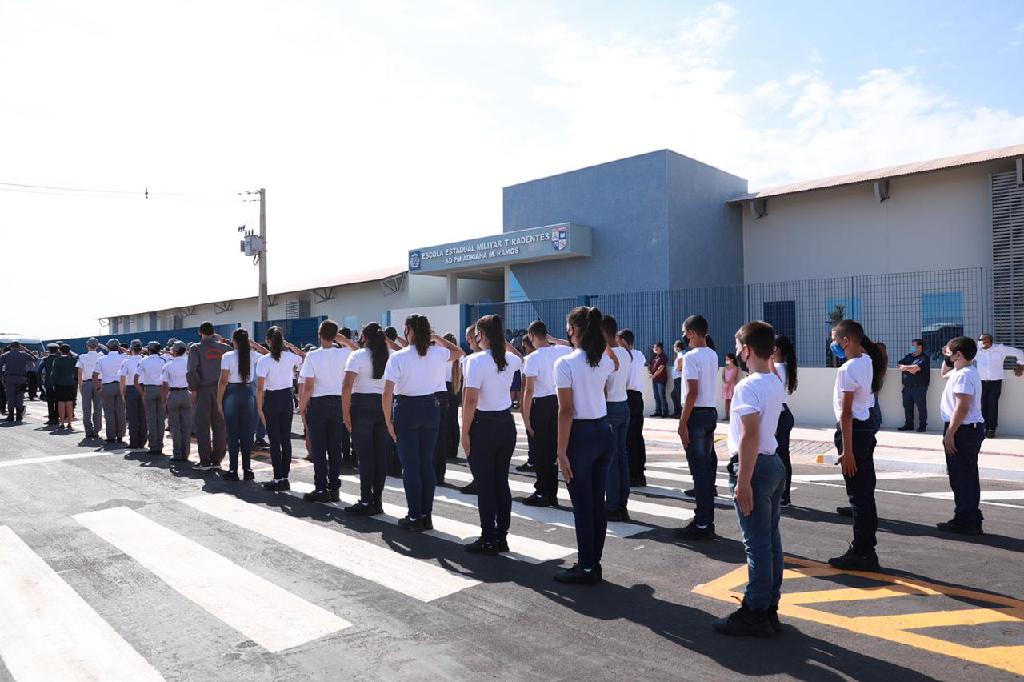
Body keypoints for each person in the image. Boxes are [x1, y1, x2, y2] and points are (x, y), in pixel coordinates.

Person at [714, 320, 788, 637]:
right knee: (770, 540)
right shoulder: (775, 380)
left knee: (756, 543)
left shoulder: (747, 387)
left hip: (754, 467)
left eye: (737, 348)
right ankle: (769, 607)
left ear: (746, 350)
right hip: (773, 463)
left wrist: (743, 482)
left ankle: (756, 611)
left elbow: (749, 436)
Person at [382, 314, 464, 531]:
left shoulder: (398, 357)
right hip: (430, 407)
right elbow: (458, 352)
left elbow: (387, 393)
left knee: (410, 466)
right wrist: (438, 338)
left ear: (408, 330)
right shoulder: (437, 352)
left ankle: (414, 515)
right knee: (426, 463)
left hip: (407, 409)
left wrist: (388, 420)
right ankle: (426, 514)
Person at [553, 306, 616, 585]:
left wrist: (560, 451)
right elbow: (614, 361)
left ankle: (586, 566)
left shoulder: (565, 363)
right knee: (597, 502)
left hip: (580, 435)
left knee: (582, 505)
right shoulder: (604, 361)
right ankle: (594, 563)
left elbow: (566, 410)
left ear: (572, 329)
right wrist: (600, 339)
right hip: (603, 430)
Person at [828, 319, 887, 571]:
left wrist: (847, 451)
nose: (832, 344)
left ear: (846, 341)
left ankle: (862, 552)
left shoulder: (847, 369)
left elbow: (846, 413)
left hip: (854, 434)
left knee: (858, 497)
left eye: (834, 339)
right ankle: (865, 549)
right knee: (865, 494)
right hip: (864, 431)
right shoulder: (867, 360)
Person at [461, 314, 522, 554]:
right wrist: (501, 341)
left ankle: (488, 537)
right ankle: (501, 536)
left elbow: (470, 400)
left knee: (485, 486)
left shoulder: (475, 361)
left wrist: (465, 431)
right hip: (506, 424)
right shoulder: (508, 359)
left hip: (483, 426)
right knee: (501, 482)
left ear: (481, 335)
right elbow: (519, 357)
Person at [298, 320, 353, 502]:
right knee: (335, 448)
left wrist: (302, 407)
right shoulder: (344, 353)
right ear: (335, 335)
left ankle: (321, 488)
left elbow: (308, 386)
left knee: (319, 448)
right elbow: (356, 349)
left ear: (319, 335)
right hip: (337, 402)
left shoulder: (312, 356)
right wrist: (343, 339)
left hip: (318, 403)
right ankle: (334, 488)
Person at [519, 320, 572, 507]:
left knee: (541, 452)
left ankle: (542, 492)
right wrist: (553, 339)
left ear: (532, 336)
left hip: (540, 405)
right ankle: (552, 493)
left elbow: (529, 390)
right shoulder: (559, 350)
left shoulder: (532, 358)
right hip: (557, 402)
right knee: (553, 452)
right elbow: (571, 345)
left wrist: (526, 416)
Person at [676, 314, 720, 540]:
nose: (684, 336)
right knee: (706, 471)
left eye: (685, 333)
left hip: (697, 415)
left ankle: (702, 523)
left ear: (691, 333)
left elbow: (692, 392)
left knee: (700, 472)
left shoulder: (691, 357)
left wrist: (682, 422)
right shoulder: (712, 354)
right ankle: (706, 520)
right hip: (710, 412)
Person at [342, 323, 392, 514]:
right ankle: (377, 501)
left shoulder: (357, 355)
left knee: (365, 457)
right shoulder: (390, 355)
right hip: (382, 404)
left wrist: (345, 413)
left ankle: (365, 501)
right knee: (380, 456)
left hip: (361, 404)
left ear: (364, 337)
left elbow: (347, 386)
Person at [938, 337, 986, 535]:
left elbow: (962, 407)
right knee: (966, 475)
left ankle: (966, 520)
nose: (946, 353)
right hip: (967, 429)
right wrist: (947, 356)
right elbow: (944, 374)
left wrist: (950, 433)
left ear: (958, 355)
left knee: (961, 477)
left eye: (950, 351)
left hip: (962, 430)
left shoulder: (963, 376)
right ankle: (970, 517)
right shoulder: (963, 371)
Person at [255, 326, 305, 491]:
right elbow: (303, 356)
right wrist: (290, 346)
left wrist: (259, 408)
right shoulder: (289, 356)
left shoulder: (264, 360)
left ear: (268, 341)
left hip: (272, 399)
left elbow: (260, 388)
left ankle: (278, 478)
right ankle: (285, 477)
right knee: (285, 440)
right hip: (287, 398)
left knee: (275, 441)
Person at [187, 322, 232, 468]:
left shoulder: (195, 348)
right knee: (220, 425)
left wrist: (193, 390)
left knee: (203, 426)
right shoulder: (225, 348)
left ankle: (205, 460)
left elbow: (192, 371)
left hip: (203, 390)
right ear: (214, 332)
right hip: (222, 390)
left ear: (200, 332)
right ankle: (217, 460)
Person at [602, 315, 632, 522]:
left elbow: (602, 387)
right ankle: (622, 503)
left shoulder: (606, 357)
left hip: (610, 406)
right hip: (623, 404)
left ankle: (612, 505)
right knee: (622, 456)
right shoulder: (626, 353)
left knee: (611, 460)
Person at [973, 333, 1024, 438]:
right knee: (982, 405)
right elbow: (966, 359)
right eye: (979, 340)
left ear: (988, 341)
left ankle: (991, 429)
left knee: (992, 405)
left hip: (995, 383)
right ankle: (983, 427)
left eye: (982, 340)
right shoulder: (976, 351)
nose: (980, 342)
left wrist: (1020, 366)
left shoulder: (1000, 349)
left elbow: (1019, 353)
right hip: (981, 382)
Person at [618, 329, 648, 487]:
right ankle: (640, 473)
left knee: (628, 438)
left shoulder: (624, 356)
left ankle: (632, 474)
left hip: (627, 396)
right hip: (638, 397)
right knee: (637, 436)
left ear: (623, 341)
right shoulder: (640, 355)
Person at [772, 335, 798, 506]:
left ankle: (782, 494)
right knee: (783, 457)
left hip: (778, 414)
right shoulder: (785, 367)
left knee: (779, 457)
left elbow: (774, 392)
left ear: (776, 349)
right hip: (783, 413)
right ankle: (783, 494)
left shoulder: (777, 368)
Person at [161, 341, 193, 462]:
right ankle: (186, 453)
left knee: (175, 426)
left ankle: (178, 454)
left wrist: (164, 400)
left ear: (174, 351)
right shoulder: (189, 363)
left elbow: (165, 386)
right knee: (186, 425)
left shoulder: (168, 365)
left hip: (173, 394)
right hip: (186, 393)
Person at [91, 339, 127, 444]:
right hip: (121, 386)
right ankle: (120, 436)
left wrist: (98, 388)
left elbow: (94, 375)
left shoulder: (102, 359)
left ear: (108, 347)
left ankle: (111, 436)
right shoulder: (124, 357)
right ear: (118, 347)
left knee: (109, 412)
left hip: (107, 386)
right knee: (121, 412)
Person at [135, 342, 168, 456]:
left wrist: (142, 393)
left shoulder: (143, 361)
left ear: (149, 350)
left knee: (151, 420)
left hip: (149, 389)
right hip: (162, 389)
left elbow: (135, 379)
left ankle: (153, 446)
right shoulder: (164, 360)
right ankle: (160, 445)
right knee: (161, 420)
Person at [896, 338, 930, 432]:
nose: (911, 347)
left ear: (919, 347)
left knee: (921, 407)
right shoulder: (909, 356)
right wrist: (909, 368)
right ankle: (908, 425)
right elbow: (899, 364)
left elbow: (917, 368)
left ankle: (922, 426)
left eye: (913, 345)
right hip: (907, 387)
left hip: (919, 387)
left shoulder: (924, 358)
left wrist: (905, 368)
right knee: (907, 406)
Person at [119, 340, 148, 449]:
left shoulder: (126, 361)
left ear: (131, 349)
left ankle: (134, 442)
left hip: (131, 388)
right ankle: (143, 441)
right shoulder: (145, 360)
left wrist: (122, 392)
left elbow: (122, 378)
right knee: (143, 416)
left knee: (132, 416)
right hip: (144, 387)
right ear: (141, 349)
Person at [1, 342, 37, 423]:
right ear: (19, 347)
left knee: (10, 396)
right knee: (20, 396)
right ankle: (18, 415)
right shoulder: (24, 354)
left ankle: (11, 415)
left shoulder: (6, 355)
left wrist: (1, 377)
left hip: (10, 378)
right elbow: (35, 359)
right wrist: (27, 350)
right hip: (21, 378)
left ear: (11, 347)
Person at [75, 338, 104, 438]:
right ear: (97, 346)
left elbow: (79, 373)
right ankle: (96, 430)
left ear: (88, 346)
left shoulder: (82, 357)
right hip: (99, 382)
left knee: (86, 408)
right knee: (98, 408)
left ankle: (88, 430)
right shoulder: (101, 356)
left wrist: (80, 386)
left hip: (86, 383)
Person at [51, 344, 79, 430]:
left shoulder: (57, 360)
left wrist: (53, 383)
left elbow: (54, 374)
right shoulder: (73, 360)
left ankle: (62, 422)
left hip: (60, 384)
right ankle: (69, 422)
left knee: (61, 403)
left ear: (60, 350)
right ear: (69, 351)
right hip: (70, 383)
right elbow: (77, 357)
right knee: (70, 403)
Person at [39, 343, 60, 425]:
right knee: (58, 401)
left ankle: (51, 418)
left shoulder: (45, 359)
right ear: (57, 350)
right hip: (59, 383)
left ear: (49, 350)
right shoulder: (60, 359)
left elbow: (39, 370)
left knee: (50, 402)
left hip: (48, 382)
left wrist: (40, 382)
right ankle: (57, 418)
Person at [650, 342, 669, 417]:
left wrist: (654, 375)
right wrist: (650, 373)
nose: (654, 348)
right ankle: (658, 411)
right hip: (655, 380)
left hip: (661, 380)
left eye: (656, 347)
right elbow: (651, 366)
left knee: (661, 395)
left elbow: (661, 368)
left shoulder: (663, 357)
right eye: (654, 347)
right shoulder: (655, 357)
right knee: (656, 396)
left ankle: (665, 411)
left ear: (661, 348)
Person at [722, 353, 739, 419]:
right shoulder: (725, 368)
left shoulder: (735, 368)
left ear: (732, 360)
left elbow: (734, 377)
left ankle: (732, 416)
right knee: (726, 401)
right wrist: (725, 382)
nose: (726, 360)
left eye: (727, 359)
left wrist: (730, 384)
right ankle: (727, 416)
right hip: (726, 386)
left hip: (732, 386)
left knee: (732, 401)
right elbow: (723, 377)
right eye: (726, 359)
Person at [670, 340, 684, 418]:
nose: (674, 348)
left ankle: (680, 413)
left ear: (678, 347)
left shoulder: (680, 354)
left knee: (678, 396)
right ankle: (677, 412)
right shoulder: (680, 354)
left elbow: (681, 363)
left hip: (679, 378)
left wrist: (678, 368)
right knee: (674, 395)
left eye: (675, 346)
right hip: (677, 378)